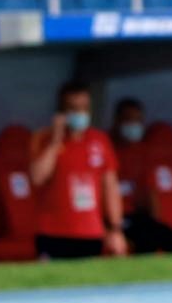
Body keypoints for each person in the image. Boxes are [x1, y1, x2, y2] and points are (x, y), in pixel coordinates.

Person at [28, 79, 127, 260]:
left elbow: (110, 187)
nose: (80, 113)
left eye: (84, 107)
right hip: (53, 232)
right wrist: (56, 141)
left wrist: (115, 229)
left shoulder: (100, 140)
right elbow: (37, 177)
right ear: (62, 111)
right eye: (73, 108)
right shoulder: (43, 138)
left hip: (90, 232)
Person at [111, 97, 172, 254]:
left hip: (138, 218)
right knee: (145, 242)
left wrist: (156, 223)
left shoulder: (142, 152)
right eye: (129, 120)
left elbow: (149, 193)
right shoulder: (106, 149)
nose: (133, 126)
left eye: (138, 121)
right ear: (117, 121)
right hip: (118, 218)